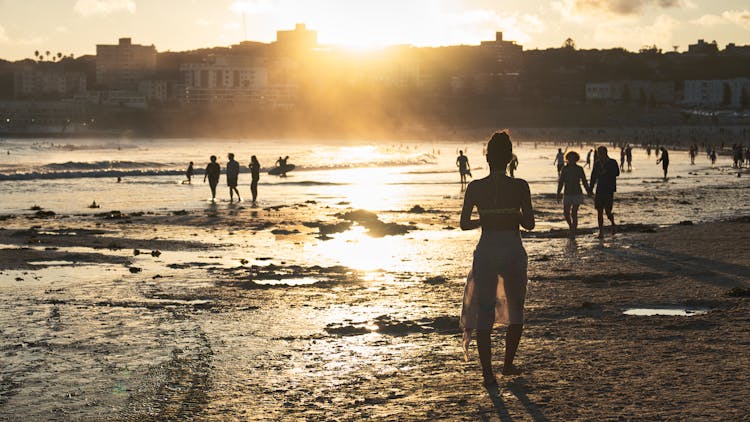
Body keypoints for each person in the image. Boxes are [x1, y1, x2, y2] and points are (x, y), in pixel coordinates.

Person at [459, 131, 535, 388]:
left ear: (487, 157)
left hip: (487, 248)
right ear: (510, 158)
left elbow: (464, 224)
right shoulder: (520, 186)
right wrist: (511, 215)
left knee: (484, 312)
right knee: (516, 307)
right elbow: (530, 224)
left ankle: (488, 373)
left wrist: (487, 218)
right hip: (513, 248)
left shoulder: (475, 187)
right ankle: (508, 364)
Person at [557, 151, 591, 238]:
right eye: (569, 158)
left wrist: (589, 191)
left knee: (574, 212)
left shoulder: (579, 169)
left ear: (576, 159)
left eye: (573, 158)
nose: (571, 159)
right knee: (566, 213)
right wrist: (558, 193)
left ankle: (573, 231)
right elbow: (561, 182)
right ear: (567, 158)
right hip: (567, 193)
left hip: (577, 193)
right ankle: (571, 226)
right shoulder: (564, 169)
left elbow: (584, 181)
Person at [589, 146, 620, 239]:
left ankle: (613, 223)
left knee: (607, 211)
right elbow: (593, 176)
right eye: (598, 153)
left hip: (609, 189)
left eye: (601, 153)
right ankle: (601, 232)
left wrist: (607, 172)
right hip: (599, 189)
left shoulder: (612, 162)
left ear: (605, 153)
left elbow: (617, 173)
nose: (599, 155)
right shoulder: (597, 163)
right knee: (599, 211)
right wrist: (590, 188)